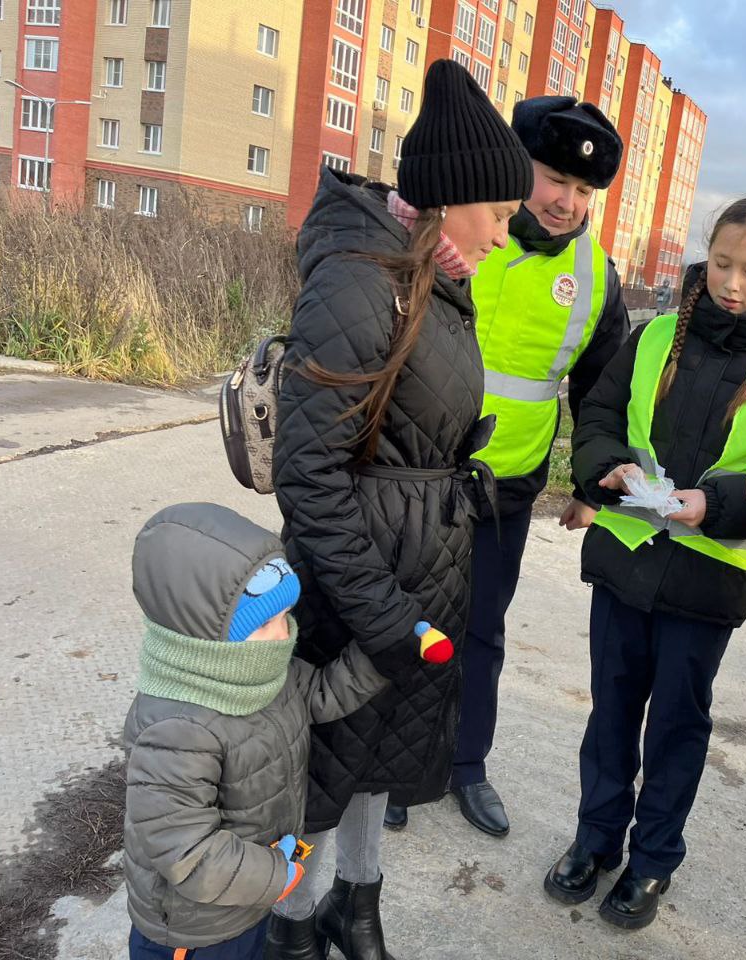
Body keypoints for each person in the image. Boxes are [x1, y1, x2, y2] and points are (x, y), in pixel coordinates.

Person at [269, 61, 532, 960]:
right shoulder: (357, 277)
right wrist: (379, 610)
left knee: (380, 753)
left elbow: (407, 420)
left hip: (419, 568)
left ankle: (359, 900)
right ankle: (294, 921)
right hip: (360, 581)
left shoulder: (432, 274)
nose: (508, 232)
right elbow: (307, 471)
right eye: (499, 212)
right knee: (320, 763)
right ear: (453, 198)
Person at [544, 196, 746, 929]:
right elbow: (601, 414)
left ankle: (651, 863)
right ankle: (594, 840)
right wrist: (604, 466)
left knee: (676, 725)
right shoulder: (655, 334)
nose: (733, 284)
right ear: (710, 254)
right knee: (611, 713)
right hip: (626, 556)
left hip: (707, 578)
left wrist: (721, 502)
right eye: (725, 265)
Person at [385, 96, 628, 838]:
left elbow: (601, 386)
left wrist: (589, 483)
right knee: (402, 622)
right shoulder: (458, 233)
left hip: (506, 488)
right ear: (516, 166)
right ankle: (394, 766)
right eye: (555, 178)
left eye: (585, 191)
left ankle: (466, 766)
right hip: (416, 477)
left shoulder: (596, 274)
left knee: (480, 634)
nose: (567, 201)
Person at [123, 503, 419, 960]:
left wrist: (380, 657)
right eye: (264, 623)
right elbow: (186, 851)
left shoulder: (261, 671)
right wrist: (279, 875)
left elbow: (320, 692)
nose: (284, 635)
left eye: (285, 616)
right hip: (194, 929)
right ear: (204, 634)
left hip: (252, 899)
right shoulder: (175, 732)